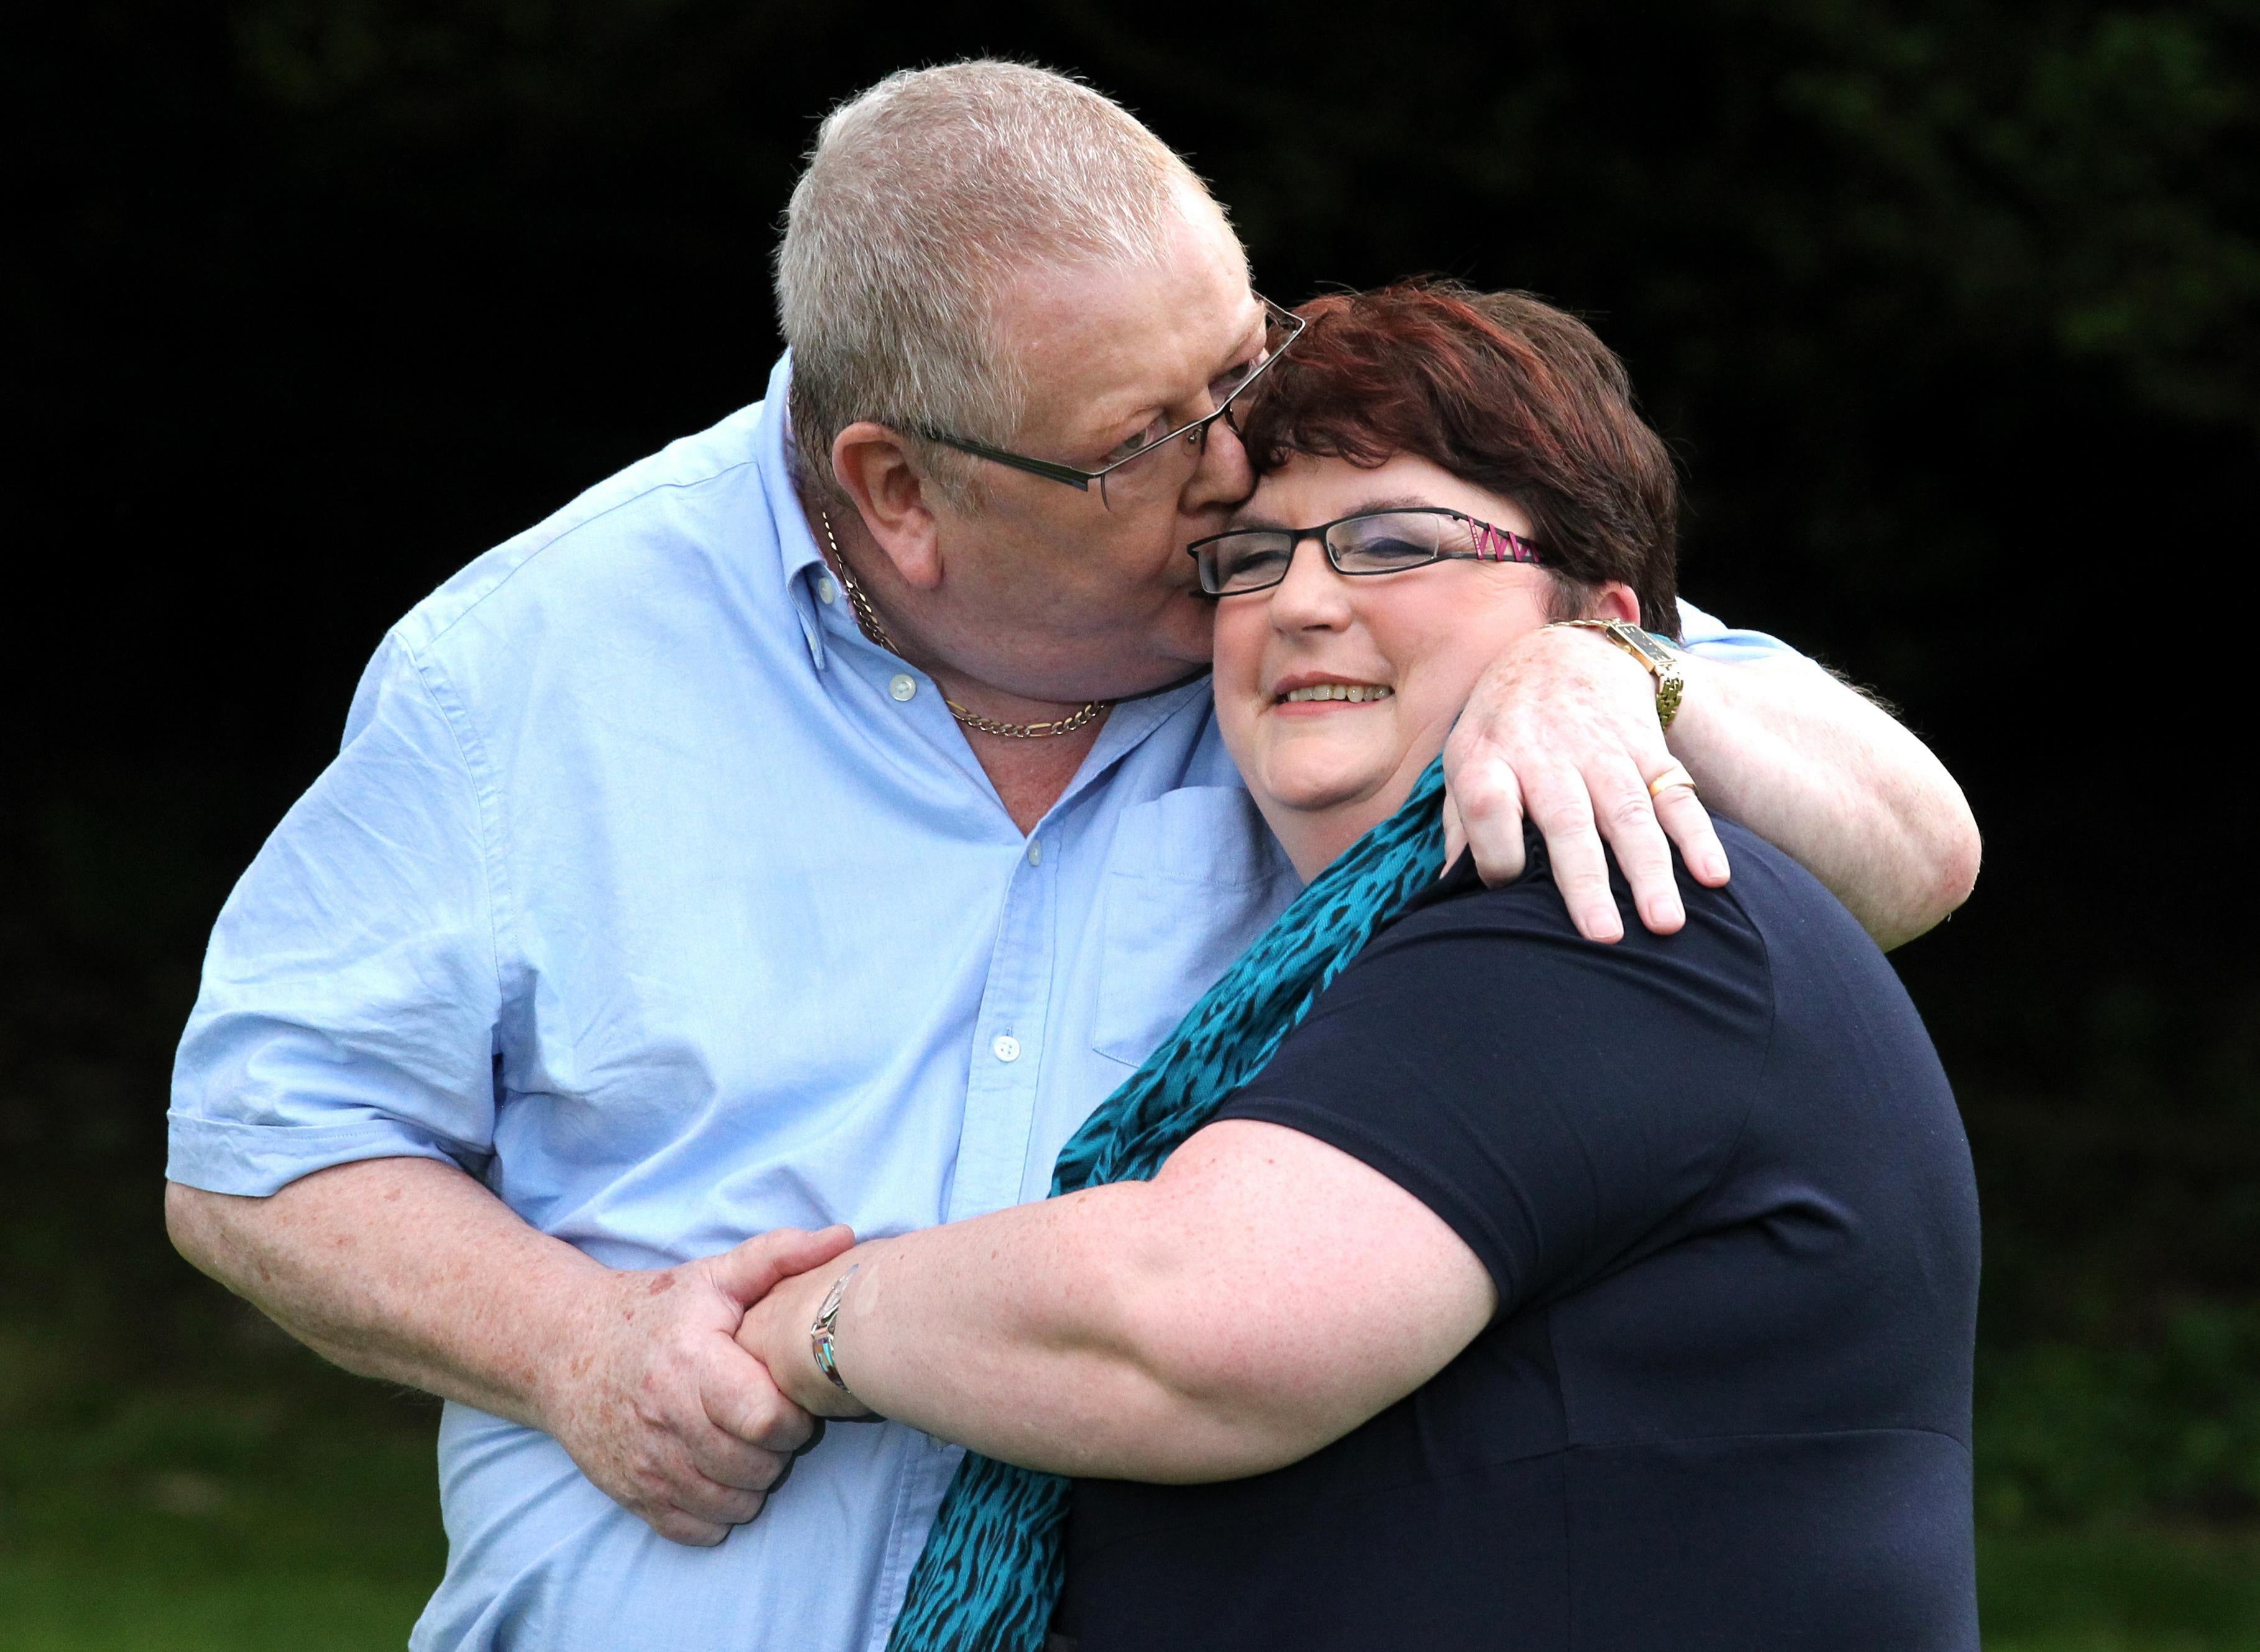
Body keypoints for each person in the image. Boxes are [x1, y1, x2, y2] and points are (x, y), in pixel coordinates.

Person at [161, 63, 1978, 1652]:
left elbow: (1911, 856)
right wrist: (584, 1346)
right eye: (1145, 443)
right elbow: (263, 1147)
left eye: (1239, 361)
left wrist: (1620, 677)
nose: (1231, 463)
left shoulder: (1321, 604)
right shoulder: (531, 666)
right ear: (899, 491)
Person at [735, 281, 1980, 1652]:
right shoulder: (1393, 940)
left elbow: (1188, 1333)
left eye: (1395, 544)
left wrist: (812, 1327)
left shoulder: (1601, 908)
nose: (1304, 602)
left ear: (1602, 619)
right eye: (1251, 558)